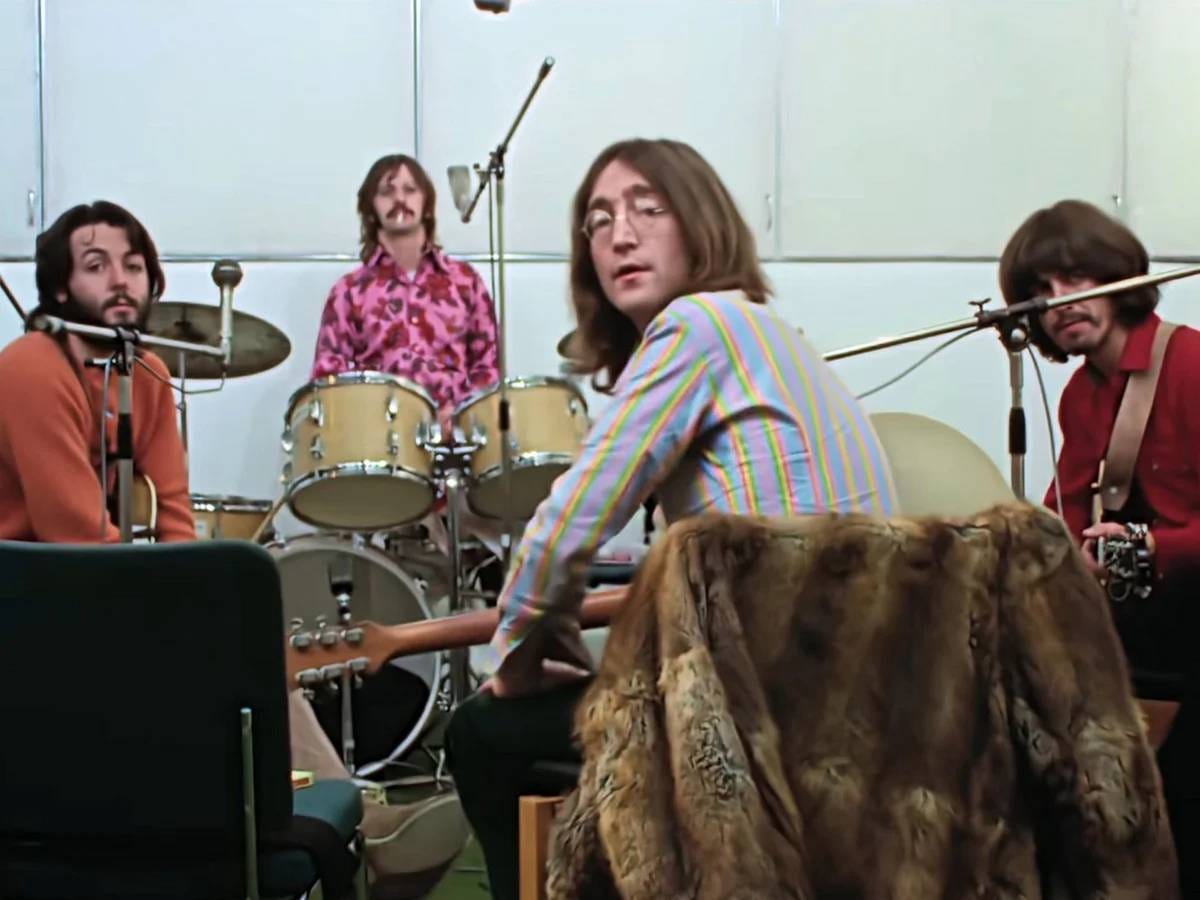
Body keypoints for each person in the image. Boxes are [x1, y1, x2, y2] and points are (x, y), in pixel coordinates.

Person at [444, 138, 898, 900]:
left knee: (481, 733)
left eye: (648, 209)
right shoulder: (768, 332)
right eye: (598, 222)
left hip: (775, 704)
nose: (619, 235)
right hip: (861, 693)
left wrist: (516, 657)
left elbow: (567, 524)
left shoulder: (697, 325)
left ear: (701, 223)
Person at [999, 198, 1199, 892]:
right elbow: (1065, 503)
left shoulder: (1191, 364)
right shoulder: (1078, 397)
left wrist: (1151, 546)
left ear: (1119, 278)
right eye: (1041, 290)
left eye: (1076, 278)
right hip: (1136, 635)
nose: (1059, 302)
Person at [0, 200, 194, 543]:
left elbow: (173, 512)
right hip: (22, 566)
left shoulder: (148, 372)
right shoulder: (30, 366)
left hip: (91, 565)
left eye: (133, 266)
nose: (120, 282)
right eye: (96, 267)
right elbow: (72, 528)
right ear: (60, 287)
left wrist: (187, 567)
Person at [311, 152, 499, 430]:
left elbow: (488, 369)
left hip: (457, 443)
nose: (399, 199)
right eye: (387, 192)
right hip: (378, 440)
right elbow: (328, 382)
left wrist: (461, 414)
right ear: (371, 209)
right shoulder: (348, 292)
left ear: (427, 205)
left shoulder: (465, 282)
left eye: (410, 190)